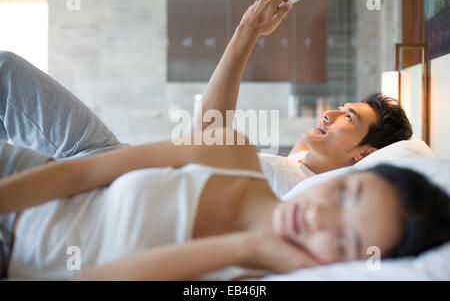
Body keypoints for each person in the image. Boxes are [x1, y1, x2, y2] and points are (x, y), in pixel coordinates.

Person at [1, 126, 450, 280]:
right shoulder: (229, 149)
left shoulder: (245, 278)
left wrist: (246, 249)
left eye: (345, 239)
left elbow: (91, 278)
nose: (317, 215)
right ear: (353, 173)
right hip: (18, 180)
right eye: (347, 194)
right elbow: (84, 170)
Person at [193, 0, 413, 197]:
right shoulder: (307, 164)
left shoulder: (284, 183)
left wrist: (247, 29)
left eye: (348, 117)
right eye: (341, 108)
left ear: (364, 154)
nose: (328, 114)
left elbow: (203, 143)